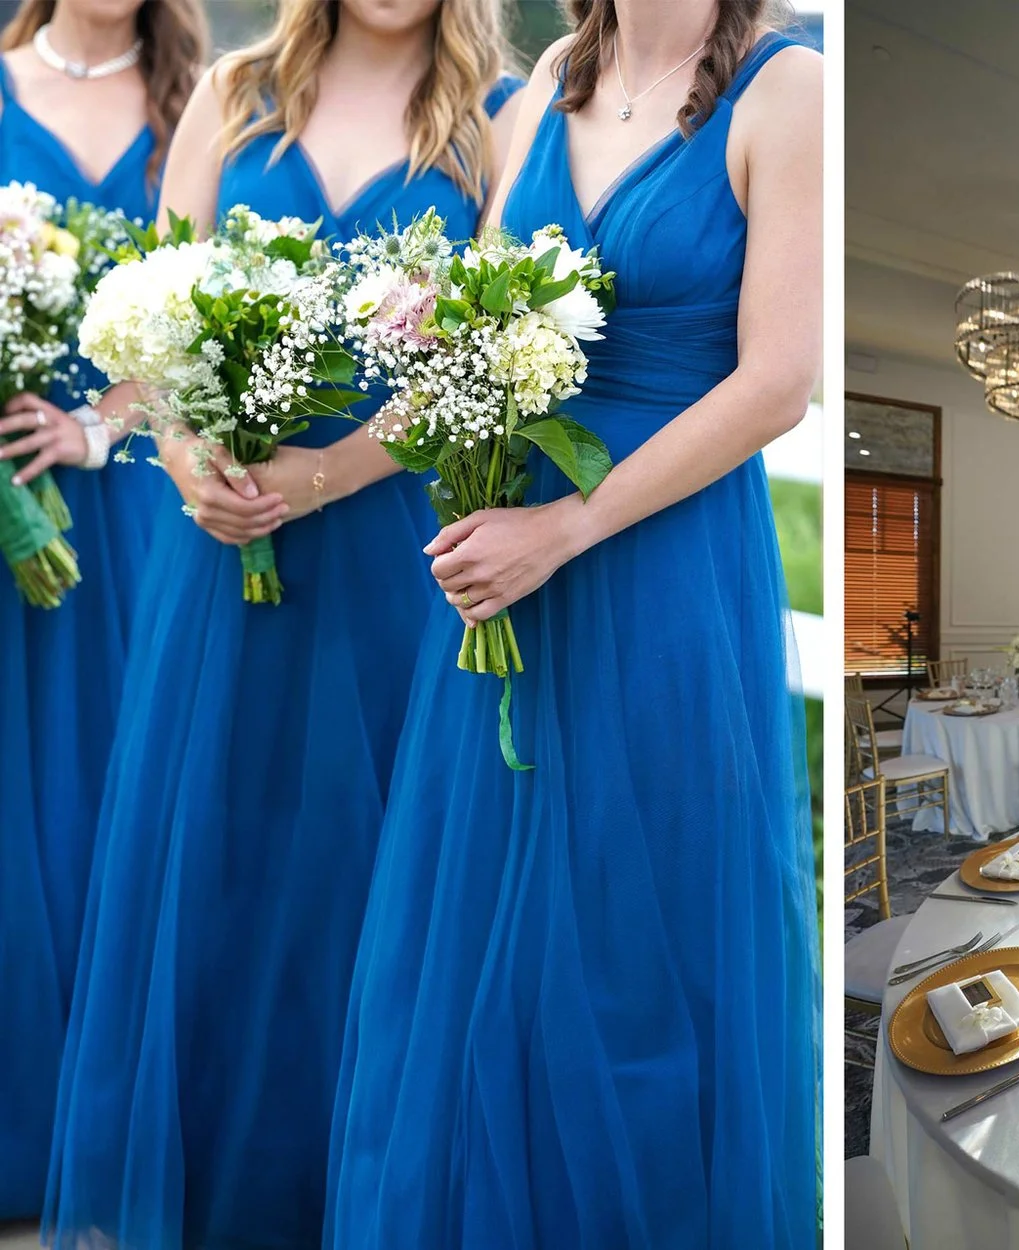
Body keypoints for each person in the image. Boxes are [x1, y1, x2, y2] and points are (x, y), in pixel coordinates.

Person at [326, 1, 821, 1244]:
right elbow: (495, 299)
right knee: (487, 894)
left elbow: (776, 383)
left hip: (659, 558)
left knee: (628, 905)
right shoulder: (550, 73)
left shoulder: (787, 89)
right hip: (511, 528)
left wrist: (566, 530)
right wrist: (430, 314)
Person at [45, 1, 519, 1244]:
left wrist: (327, 477)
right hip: (219, 549)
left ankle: (344, 1192)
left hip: (392, 551)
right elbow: (146, 325)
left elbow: (485, 358)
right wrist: (189, 449)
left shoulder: (496, 124)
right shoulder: (237, 91)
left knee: (369, 877)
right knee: (221, 852)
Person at [0, 0, 203, 1221]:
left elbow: (198, 309)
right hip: (2, 476)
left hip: (127, 507)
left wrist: (96, 424)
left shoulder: (201, 98)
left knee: (116, 794)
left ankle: (105, 1131)